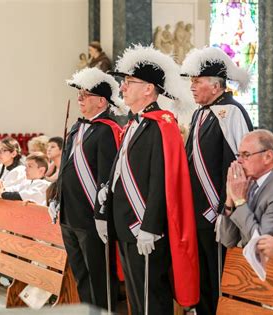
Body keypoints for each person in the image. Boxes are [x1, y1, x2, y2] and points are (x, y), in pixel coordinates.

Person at [103, 44, 199, 315]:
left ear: (148, 88)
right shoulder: (134, 123)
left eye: (128, 82)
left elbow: (163, 180)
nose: (122, 88)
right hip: (126, 225)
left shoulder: (162, 123)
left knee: (151, 299)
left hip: (145, 228)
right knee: (137, 297)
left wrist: (151, 226)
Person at [181, 46, 254, 315]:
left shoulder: (232, 112)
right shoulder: (200, 113)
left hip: (220, 213)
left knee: (220, 277)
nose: (192, 87)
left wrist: (231, 205)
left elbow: (243, 162)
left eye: (197, 81)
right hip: (197, 211)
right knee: (203, 278)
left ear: (215, 85)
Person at [49, 67, 124, 310]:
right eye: (79, 94)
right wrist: (56, 199)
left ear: (102, 100)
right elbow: (64, 170)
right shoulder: (76, 128)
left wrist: (102, 215)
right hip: (69, 216)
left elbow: (107, 178)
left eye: (86, 94)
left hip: (91, 219)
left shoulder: (107, 130)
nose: (80, 99)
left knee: (100, 278)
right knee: (81, 275)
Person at [219, 130, 273, 247]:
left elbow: (260, 243)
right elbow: (227, 240)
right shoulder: (249, 182)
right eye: (238, 155)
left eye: (246, 155)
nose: (239, 160)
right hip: (242, 262)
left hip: (270, 264)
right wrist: (230, 199)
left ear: (268, 157)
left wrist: (239, 201)